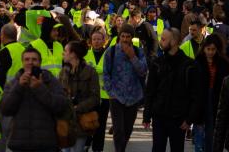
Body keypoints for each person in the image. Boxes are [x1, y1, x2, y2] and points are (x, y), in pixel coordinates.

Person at [0, 47, 68, 152]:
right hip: (20, 143)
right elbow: (5, 109)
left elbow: (61, 106)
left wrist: (40, 88)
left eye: (34, 59)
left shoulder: (50, 80)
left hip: (46, 143)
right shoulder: (14, 82)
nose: (30, 62)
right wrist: (19, 87)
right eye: (27, 59)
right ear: (22, 62)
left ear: (40, 62)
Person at [143, 28, 199, 152]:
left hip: (179, 119)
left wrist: (189, 119)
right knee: (157, 148)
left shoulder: (189, 65)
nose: (160, 41)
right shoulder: (157, 63)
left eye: (163, 39)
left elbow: (195, 95)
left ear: (173, 42)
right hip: (159, 117)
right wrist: (147, 116)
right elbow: (150, 91)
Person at [103, 24, 148, 152]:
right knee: (118, 129)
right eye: (123, 36)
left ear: (132, 38)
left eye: (128, 37)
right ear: (119, 37)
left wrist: (132, 57)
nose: (125, 39)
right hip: (116, 96)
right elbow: (106, 74)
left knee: (128, 129)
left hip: (133, 97)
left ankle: (122, 148)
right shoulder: (111, 52)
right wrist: (110, 91)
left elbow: (143, 71)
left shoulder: (138, 52)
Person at [59, 40, 100, 152]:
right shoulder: (63, 72)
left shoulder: (90, 72)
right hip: (65, 122)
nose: (63, 53)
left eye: (65, 51)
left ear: (73, 54)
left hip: (81, 121)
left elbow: (95, 98)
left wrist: (78, 108)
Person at [0, 24, 25, 152]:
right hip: (22, 98)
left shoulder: (5, 52)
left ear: (2, 36)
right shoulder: (23, 49)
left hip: (6, 99)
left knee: (2, 136)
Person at [193, 34, 229, 152]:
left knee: (211, 130)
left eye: (213, 49)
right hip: (200, 99)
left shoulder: (223, 63)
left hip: (216, 99)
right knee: (199, 129)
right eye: (208, 49)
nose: (210, 52)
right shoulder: (198, 62)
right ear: (204, 48)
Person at [85, 29, 110, 152]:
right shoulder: (86, 54)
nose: (96, 42)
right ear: (90, 41)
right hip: (89, 96)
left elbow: (109, 70)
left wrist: (95, 69)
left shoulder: (108, 54)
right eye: (94, 39)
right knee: (88, 123)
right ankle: (85, 145)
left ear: (104, 41)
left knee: (101, 125)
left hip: (104, 96)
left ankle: (98, 149)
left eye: (99, 39)